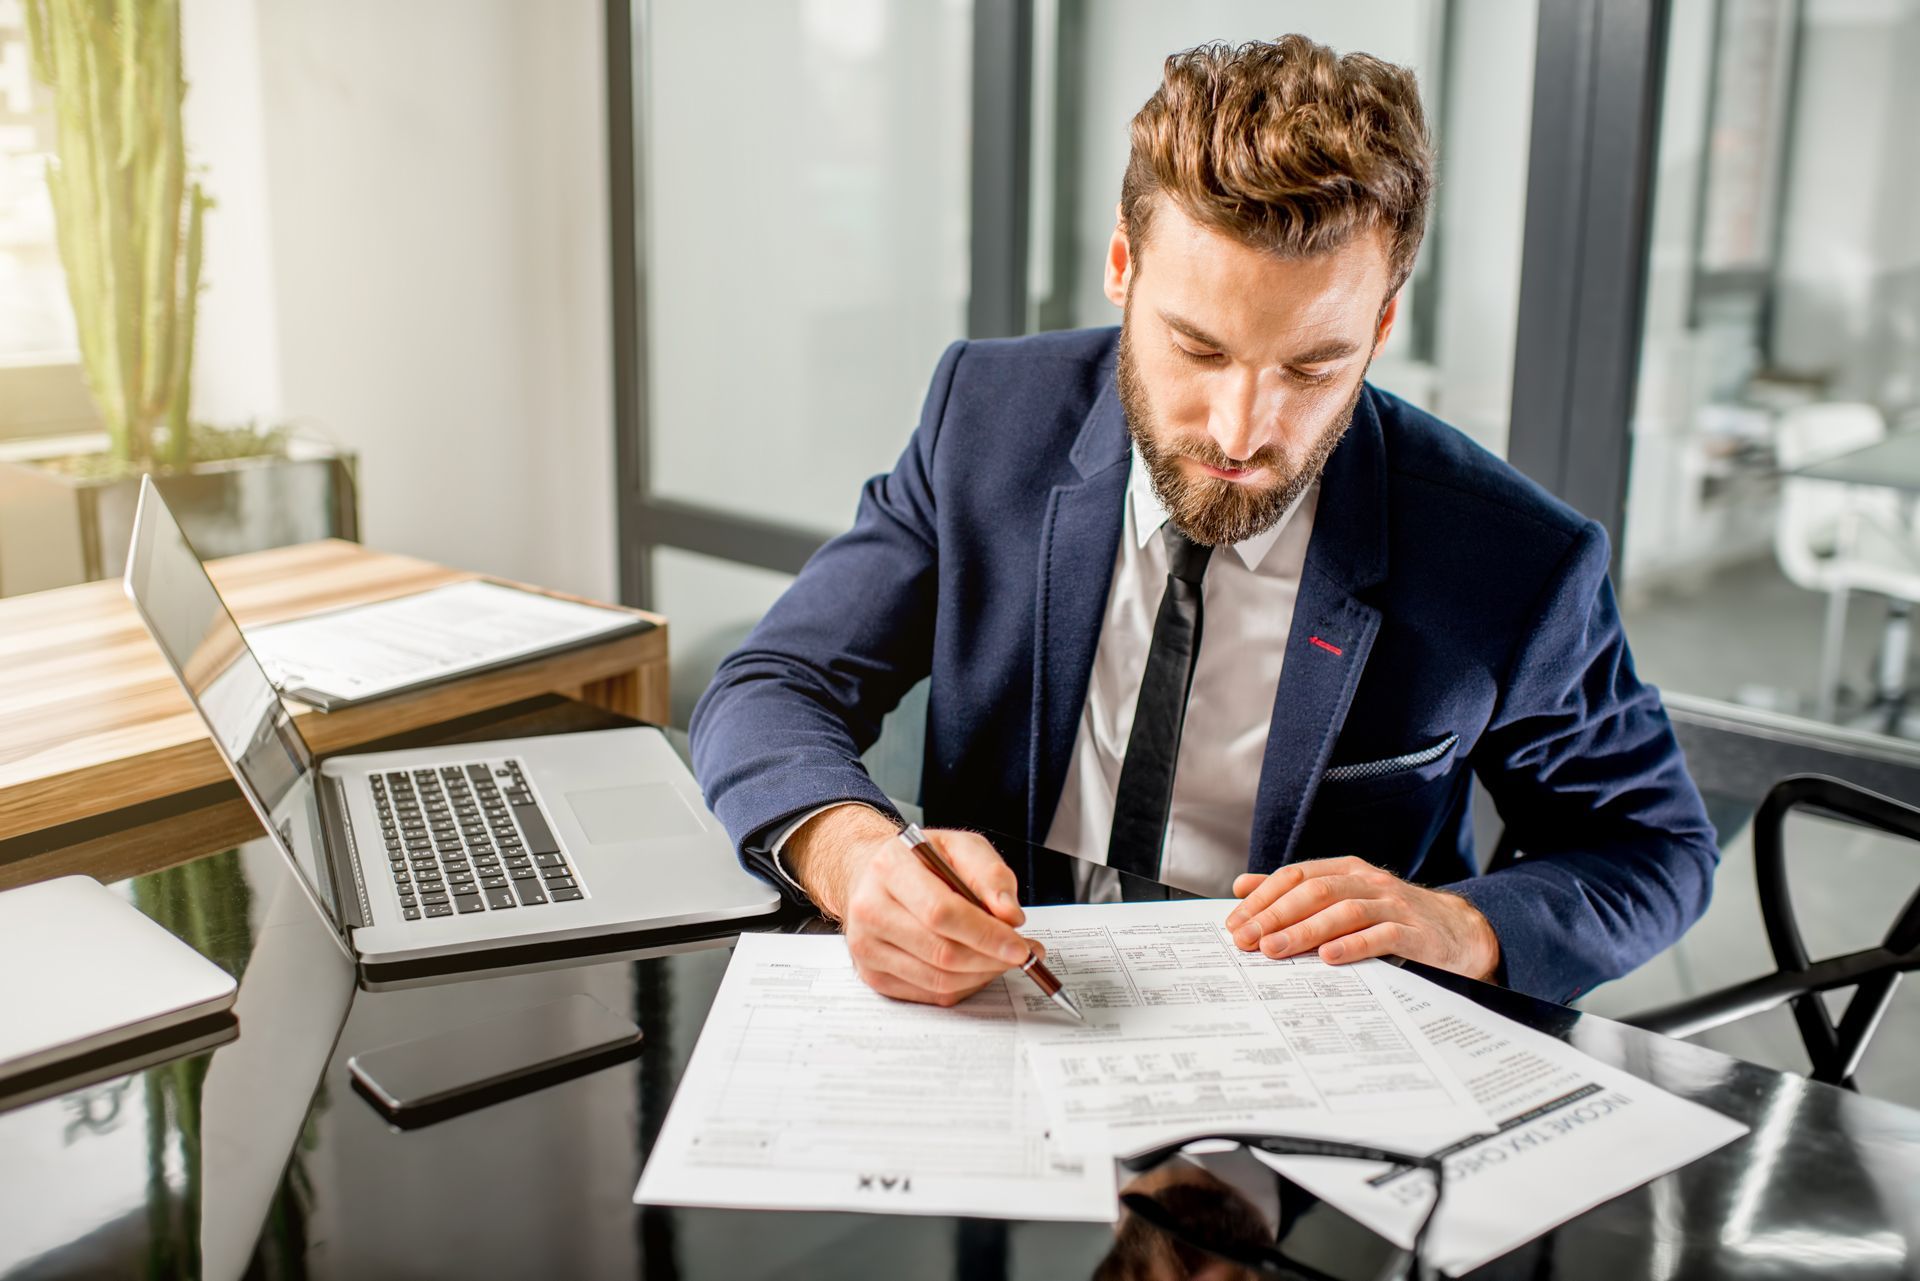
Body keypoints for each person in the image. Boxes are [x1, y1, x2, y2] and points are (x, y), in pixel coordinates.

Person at [690, 35, 1717, 1010]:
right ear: (1123, 270)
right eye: (1199, 349)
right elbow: (776, 680)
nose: (1242, 429)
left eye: (1313, 367)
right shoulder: (986, 419)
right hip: (996, 1012)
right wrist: (858, 856)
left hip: (1320, 1070)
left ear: (1383, 324)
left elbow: (1656, 849)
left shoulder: (1513, 557)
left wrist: (1457, 926)